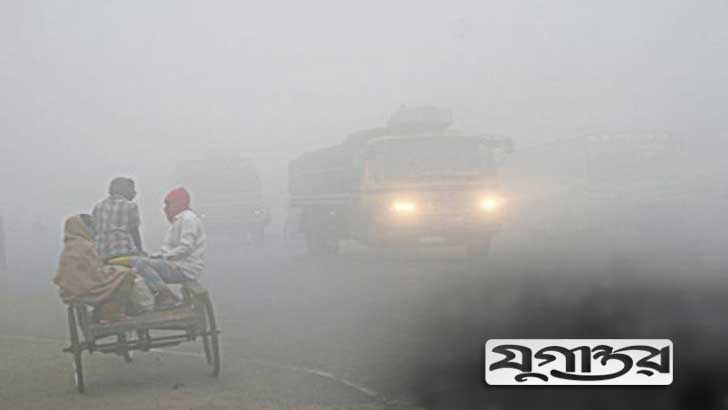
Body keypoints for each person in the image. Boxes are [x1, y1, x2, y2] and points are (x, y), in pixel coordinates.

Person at [53, 214, 135, 322]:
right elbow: (96, 274)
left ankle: (105, 311)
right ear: (82, 228)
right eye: (91, 227)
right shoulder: (85, 246)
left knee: (116, 274)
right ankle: (112, 313)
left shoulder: (70, 247)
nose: (94, 230)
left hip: (72, 290)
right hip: (85, 288)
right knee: (125, 274)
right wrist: (116, 269)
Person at [133, 187, 206, 309]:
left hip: (185, 268)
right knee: (138, 264)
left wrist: (164, 257)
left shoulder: (188, 220)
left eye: (168, 204)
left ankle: (165, 296)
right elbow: (170, 248)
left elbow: (186, 248)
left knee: (141, 264)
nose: (165, 208)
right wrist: (159, 256)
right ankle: (157, 298)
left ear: (178, 203)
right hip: (177, 264)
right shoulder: (179, 220)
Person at [92, 177, 143, 262]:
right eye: (132, 189)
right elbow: (134, 232)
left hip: (100, 253)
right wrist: (140, 251)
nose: (135, 193)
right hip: (122, 252)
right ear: (124, 190)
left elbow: (94, 232)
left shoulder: (98, 206)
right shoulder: (131, 206)